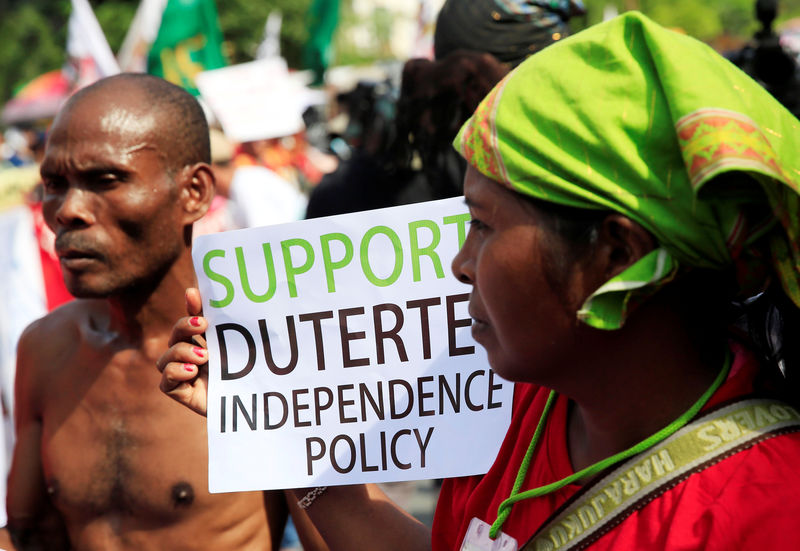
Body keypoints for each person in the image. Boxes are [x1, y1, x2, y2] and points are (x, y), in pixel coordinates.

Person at [158, 12, 800, 550]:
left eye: (483, 226)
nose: (460, 263)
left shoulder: (762, 515)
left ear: (616, 256)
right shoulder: (527, 403)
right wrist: (273, 426)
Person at [6, 73, 326, 550]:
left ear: (194, 192)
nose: (68, 210)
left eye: (105, 180)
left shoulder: (267, 353)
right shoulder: (45, 347)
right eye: (54, 183)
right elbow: (29, 534)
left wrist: (283, 444)